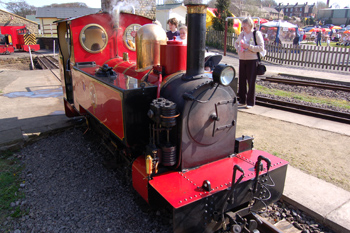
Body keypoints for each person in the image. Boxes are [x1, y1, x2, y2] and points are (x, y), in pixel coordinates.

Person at [234, 17, 265, 109]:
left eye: (245, 24)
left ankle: (250, 102)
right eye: (243, 24)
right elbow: (236, 43)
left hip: (252, 60)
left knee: (251, 81)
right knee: (242, 80)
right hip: (242, 59)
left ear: (250, 25)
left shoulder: (256, 34)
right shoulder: (242, 34)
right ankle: (242, 100)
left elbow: (261, 47)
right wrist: (238, 48)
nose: (243, 26)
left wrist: (249, 46)